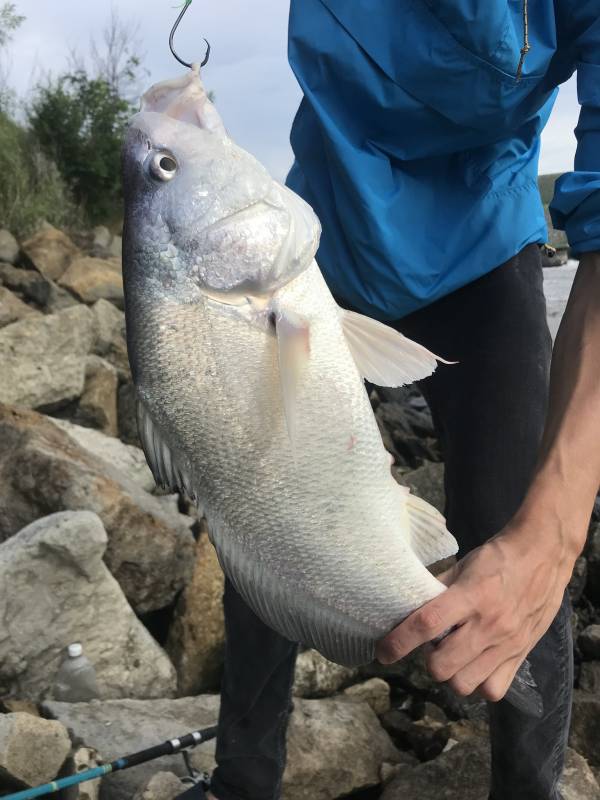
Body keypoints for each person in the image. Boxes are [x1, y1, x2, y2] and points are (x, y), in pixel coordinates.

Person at [178, 2, 600, 799]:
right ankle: (242, 781)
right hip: (313, 242)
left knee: (513, 524)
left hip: (482, 247)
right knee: (257, 533)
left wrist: (555, 533)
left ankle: (529, 786)